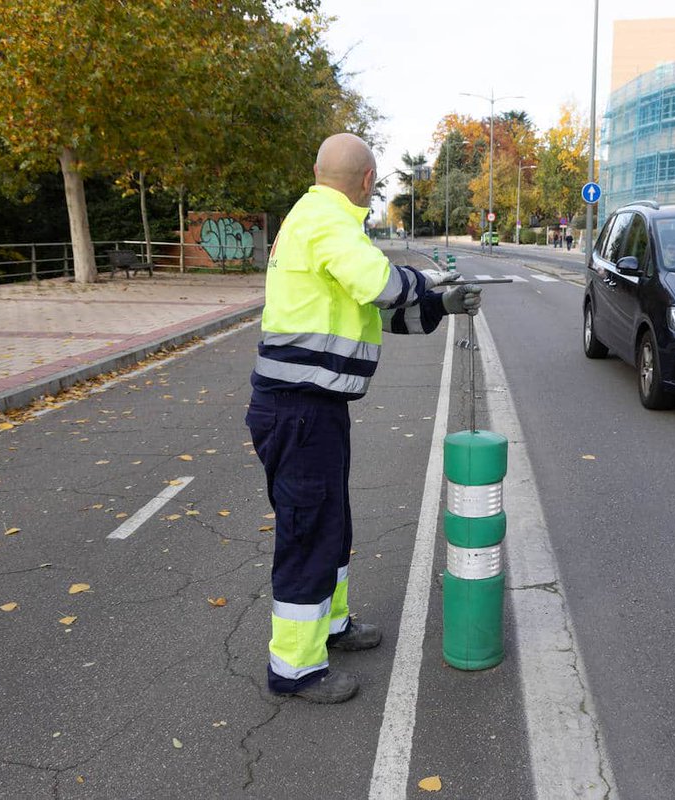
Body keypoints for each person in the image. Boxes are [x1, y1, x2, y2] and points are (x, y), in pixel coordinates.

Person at [245, 133, 482, 704]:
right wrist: (434, 284)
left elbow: (367, 312)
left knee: (331, 524)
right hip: (298, 407)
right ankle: (295, 669)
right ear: (368, 180)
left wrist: (437, 309)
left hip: (312, 406)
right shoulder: (327, 220)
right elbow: (379, 285)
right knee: (308, 533)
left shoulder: (315, 218)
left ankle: (332, 626)